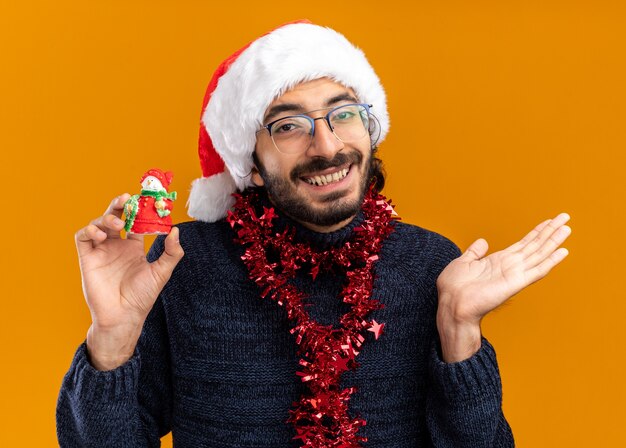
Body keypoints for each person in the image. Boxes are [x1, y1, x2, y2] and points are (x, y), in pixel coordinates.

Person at [56, 20, 571, 447]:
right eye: (288, 126)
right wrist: (111, 341)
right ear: (250, 164)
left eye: (343, 115)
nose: (326, 146)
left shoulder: (432, 266)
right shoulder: (184, 263)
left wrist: (460, 331)